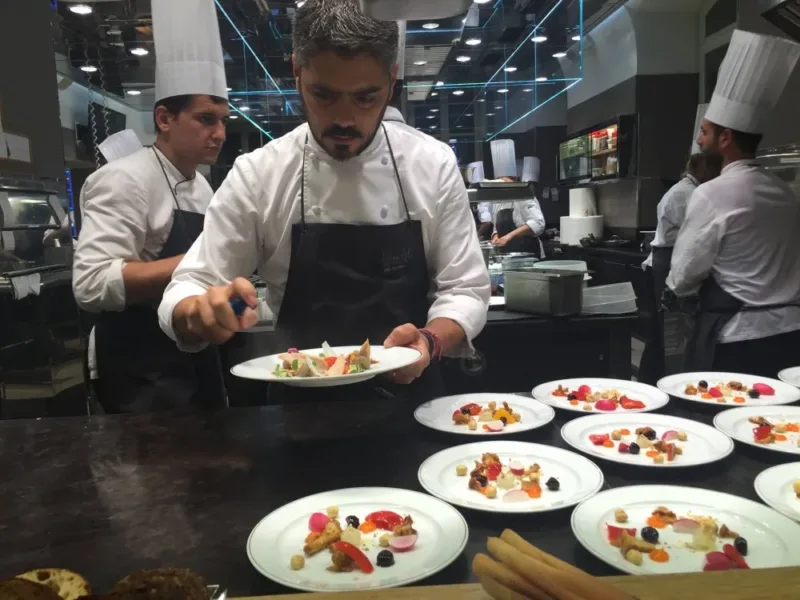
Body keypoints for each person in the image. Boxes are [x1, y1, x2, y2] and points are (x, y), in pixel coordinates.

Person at [157, 0, 490, 403]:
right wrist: (198, 312)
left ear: (393, 78)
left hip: (414, 403)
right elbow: (188, 285)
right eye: (324, 95)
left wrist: (430, 340)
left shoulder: (431, 163)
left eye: (366, 98)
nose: (345, 119)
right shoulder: (259, 173)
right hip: (298, 412)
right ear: (297, 72)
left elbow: (466, 289)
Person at [72, 0, 231, 413]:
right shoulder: (124, 179)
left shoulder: (203, 189)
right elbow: (90, 284)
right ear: (164, 118)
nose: (219, 133)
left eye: (223, 122)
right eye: (206, 119)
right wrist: (196, 263)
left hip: (195, 354)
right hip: (139, 365)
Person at [666, 30, 800, 377]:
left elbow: (683, 277)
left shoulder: (712, 194)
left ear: (725, 139)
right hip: (791, 336)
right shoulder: (785, 192)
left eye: (705, 132)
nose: (699, 139)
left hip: (736, 339)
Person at [638, 153, 722, 383]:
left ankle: (650, 379)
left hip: (663, 259)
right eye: (716, 169)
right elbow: (698, 235)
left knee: (660, 330)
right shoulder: (690, 193)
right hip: (670, 259)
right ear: (704, 169)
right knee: (672, 328)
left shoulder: (679, 190)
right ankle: (670, 382)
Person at [478, 194, 545, 257]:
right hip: (507, 255)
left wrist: (509, 236)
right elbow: (496, 228)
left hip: (527, 253)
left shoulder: (524, 196)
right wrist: (495, 236)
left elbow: (538, 223)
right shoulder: (498, 201)